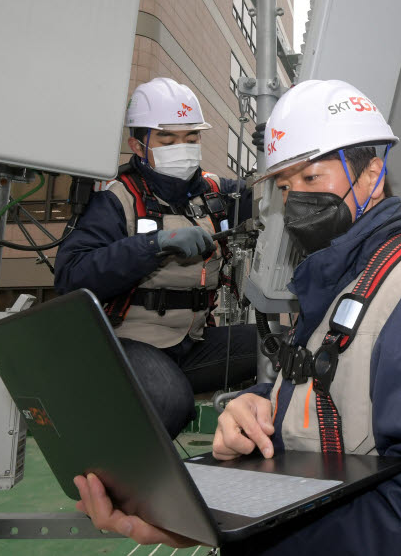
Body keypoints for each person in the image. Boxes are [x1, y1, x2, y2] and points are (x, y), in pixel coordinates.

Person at [74, 79, 401, 555]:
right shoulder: (342, 281)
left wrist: (242, 533)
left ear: (372, 176)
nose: (297, 200)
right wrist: (259, 404)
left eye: (311, 179)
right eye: (284, 185)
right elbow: (334, 386)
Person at [55, 77, 258, 438]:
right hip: (128, 344)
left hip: (194, 343)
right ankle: (132, 486)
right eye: (167, 138)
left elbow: (269, 200)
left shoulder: (214, 193)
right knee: (168, 401)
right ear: (138, 145)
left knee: (284, 346)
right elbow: (72, 275)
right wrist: (153, 245)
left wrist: (278, 156)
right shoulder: (114, 197)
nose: (182, 147)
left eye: (191, 137)